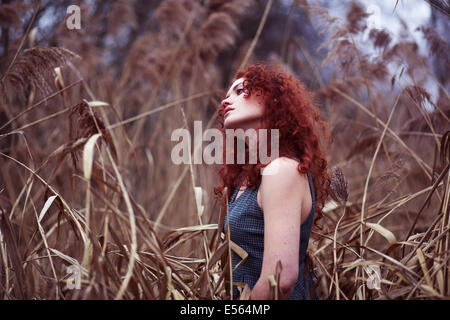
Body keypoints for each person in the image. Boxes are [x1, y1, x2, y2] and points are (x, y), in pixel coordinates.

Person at [214, 63, 331, 300]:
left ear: (273, 99)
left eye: (240, 91)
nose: (226, 101)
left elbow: (280, 279)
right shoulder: (247, 179)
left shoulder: (281, 171)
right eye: (226, 95)